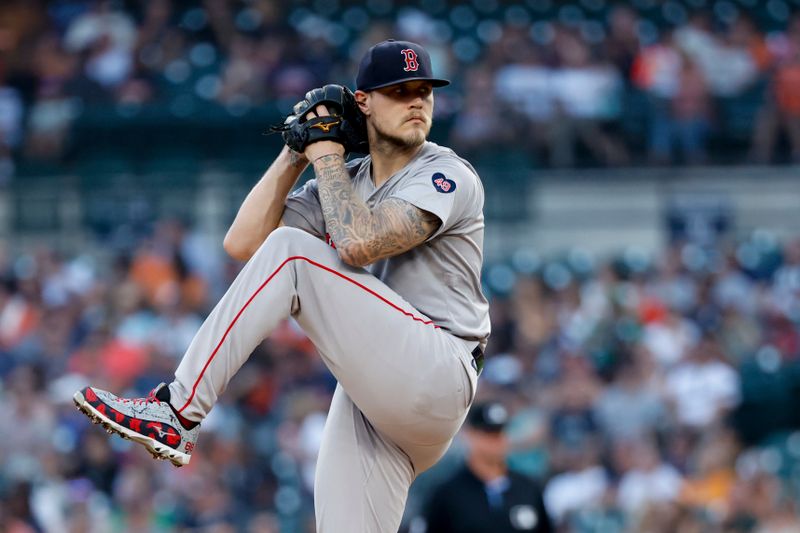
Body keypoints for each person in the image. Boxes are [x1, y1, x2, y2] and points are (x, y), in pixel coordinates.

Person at [73, 39, 490, 533]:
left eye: (425, 90)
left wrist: (325, 151)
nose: (417, 100)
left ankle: (178, 410)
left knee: (293, 251)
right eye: (399, 91)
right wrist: (295, 151)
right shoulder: (345, 179)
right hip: (378, 399)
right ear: (363, 102)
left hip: (439, 369)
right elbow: (244, 243)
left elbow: (358, 242)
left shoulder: (446, 172)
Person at [416, 401, 553, 533]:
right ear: (469, 434)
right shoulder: (448, 493)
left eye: (500, 432)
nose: (496, 441)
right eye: (488, 433)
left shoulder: (528, 489)